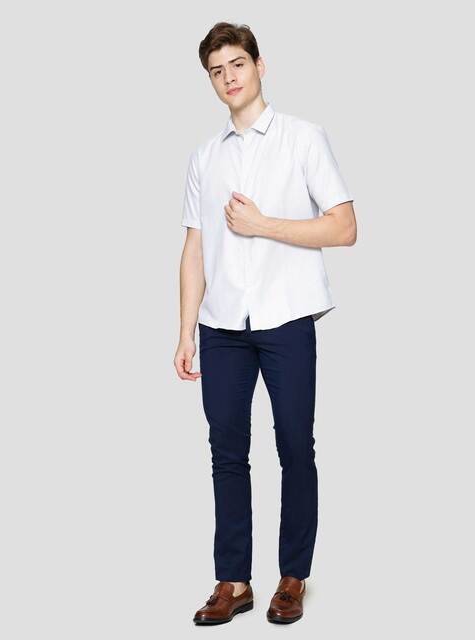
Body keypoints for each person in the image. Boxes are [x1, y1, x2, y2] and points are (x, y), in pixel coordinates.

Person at [174, 21, 357, 625]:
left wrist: (264, 225)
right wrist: (185, 331)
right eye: (216, 71)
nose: (228, 78)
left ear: (259, 65)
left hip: (285, 318)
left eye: (237, 64)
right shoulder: (205, 157)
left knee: (294, 446)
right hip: (222, 326)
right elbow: (195, 248)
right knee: (226, 452)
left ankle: (292, 577)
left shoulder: (303, 139)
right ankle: (233, 582)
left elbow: (344, 227)